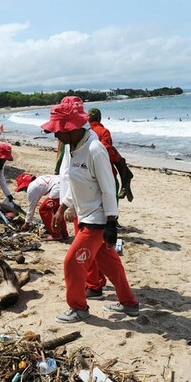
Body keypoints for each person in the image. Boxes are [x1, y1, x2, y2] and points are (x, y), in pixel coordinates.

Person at [41, 96, 139, 323]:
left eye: (59, 130)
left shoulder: (94, 149)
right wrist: (63, 207)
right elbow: (75, 184)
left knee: (72, 263)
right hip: (86, 215)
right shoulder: (73, 147)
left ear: (72, 128)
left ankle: (79, 308)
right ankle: (129, 304)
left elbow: (107, 189)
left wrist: (112, 223)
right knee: (111, 265)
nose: (56, 135)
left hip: (97, 219)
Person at [88, 108, 134, 201]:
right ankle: (126, 184)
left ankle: (126, 183)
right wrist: (117, 158)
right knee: (111, 202)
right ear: (99, 118)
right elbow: (106, 149)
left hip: (87, 171)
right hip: (106, 170)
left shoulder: (83, 131)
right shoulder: (103, 131)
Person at [16, 173, 67, 240]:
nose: (24, 190)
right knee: (56, 210)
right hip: (64, 185)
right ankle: (64, 234)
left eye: (23, 189)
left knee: (43, 210)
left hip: (58, 189)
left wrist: (27, 223)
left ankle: (56, 235)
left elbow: (31, 207)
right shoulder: (40, 179)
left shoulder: (32, 187)